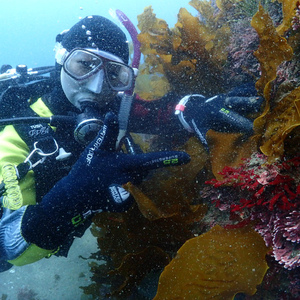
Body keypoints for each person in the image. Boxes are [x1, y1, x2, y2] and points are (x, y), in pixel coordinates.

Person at [0, 15, 262, 271]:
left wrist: (192, 108)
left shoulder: (113, 106)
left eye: (115, 74)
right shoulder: (16, 134)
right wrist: (71, 196)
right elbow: (8, 248)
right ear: (61, 59)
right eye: (84, 64)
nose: (97, 86)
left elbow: (158, 113)